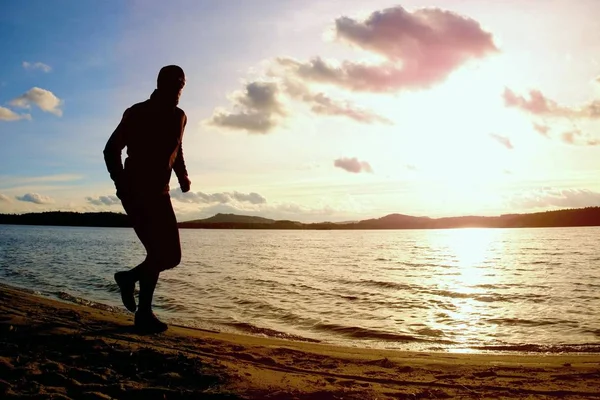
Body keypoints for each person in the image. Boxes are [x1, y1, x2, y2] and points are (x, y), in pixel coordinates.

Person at [103, 65, 191, 333]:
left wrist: (182, 176)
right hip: (136, 193)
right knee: (158, 253)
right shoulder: (137, 112)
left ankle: (129, 279)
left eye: (181, 85)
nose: (178, 90)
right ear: (160, 83)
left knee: (171, 256)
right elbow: (111, 149)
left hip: (161, 193)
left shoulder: (180, 116)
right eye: (173, 84)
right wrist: (121, 185)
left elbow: (178, 147)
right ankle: (143, 314)